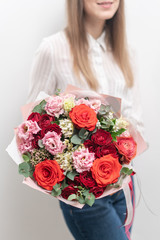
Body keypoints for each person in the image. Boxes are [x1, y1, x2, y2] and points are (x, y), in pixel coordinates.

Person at [27, 0, 146, 239]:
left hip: (123, 186)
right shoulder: (53, 49)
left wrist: (126, 140)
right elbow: (31, 126)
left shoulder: (125, 52)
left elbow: (135, 116)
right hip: (84, 195)